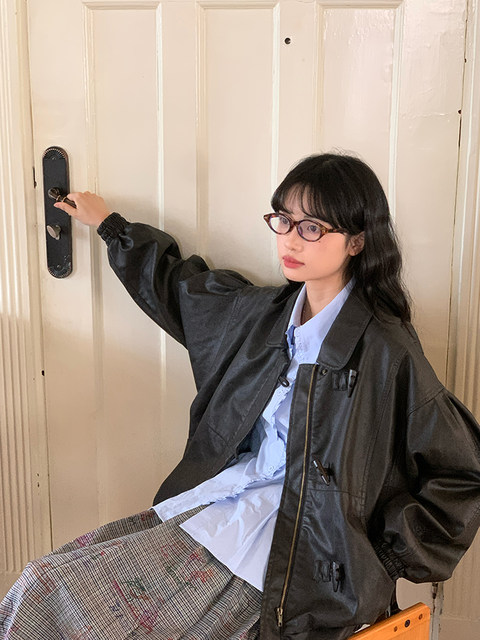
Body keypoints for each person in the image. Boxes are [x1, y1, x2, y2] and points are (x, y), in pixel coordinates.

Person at [2, 153, 480, 640]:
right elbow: (181, 290)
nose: (290, 240)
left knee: (53, 598)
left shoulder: (386, 351)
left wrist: (376, 559)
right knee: (41, 584)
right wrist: (110, 226)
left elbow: (462, 474)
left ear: (356, 240)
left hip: (287, 556)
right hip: (224, 500)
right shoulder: (264, 315)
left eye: (312, 227)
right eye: (283, 220)